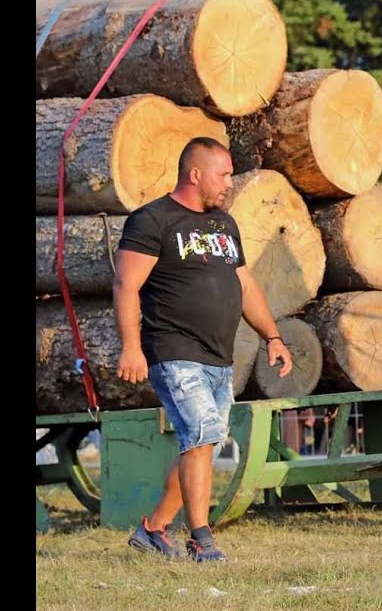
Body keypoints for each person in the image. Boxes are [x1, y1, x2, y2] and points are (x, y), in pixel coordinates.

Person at [113, 137, 293, 562]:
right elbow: (126, 285)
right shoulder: (152, 220)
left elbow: (244, 284)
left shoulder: (223, 224)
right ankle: (202, 540)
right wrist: (131, 348)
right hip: (173, 350)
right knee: (200, 437)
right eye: (224, 174)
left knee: (203, 442)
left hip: (218, 357)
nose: (229, 183)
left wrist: (273, 336)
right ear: (195, 174)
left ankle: (153, 530)